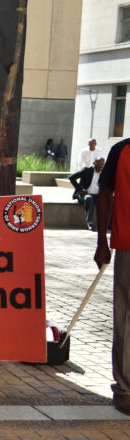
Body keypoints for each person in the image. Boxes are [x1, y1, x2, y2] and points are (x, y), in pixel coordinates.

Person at [93, 139, 130, 416]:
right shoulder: (122, 150)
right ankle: (125, 390)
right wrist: (102, 242)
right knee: (126, 320)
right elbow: (104, 195)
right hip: (128, 245)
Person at [70, 158, 105, 231]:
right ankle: (89, 222)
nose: (101, 165)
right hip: (84, 194)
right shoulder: (87, 170)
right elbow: (71, 178)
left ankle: (108, 224)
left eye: (102, 164)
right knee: (89, 198)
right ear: (94, 163)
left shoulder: (103, 173)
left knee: (111, 200)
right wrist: (80, 189)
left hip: (97, 195)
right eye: (99, 163)